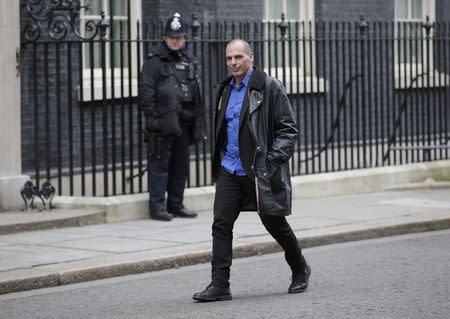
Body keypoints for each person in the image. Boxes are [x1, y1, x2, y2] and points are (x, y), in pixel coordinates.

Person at [193, 39, 310, 302]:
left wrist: (268, 163)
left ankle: (300, 267)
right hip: (230, 169)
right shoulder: (224, 90)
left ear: (251, 57)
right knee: (221, 224)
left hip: (258, 171)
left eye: (238, 57)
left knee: (275, 224)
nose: (233, 62)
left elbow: (288, 130)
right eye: (229, 58)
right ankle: (220, 284)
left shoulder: (268, 87)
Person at [139, 13, 206, 221]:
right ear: (164, 37)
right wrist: (155, 120)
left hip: (184, 124)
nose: (175, 40)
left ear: (185, 38)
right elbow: (146, 94)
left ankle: (176, 204)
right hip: (162, 124)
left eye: (179, 36)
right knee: (159, 165)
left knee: (180, 166)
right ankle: (157, 207)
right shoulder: (154, 61)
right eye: (171, 36)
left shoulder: (189, 60)